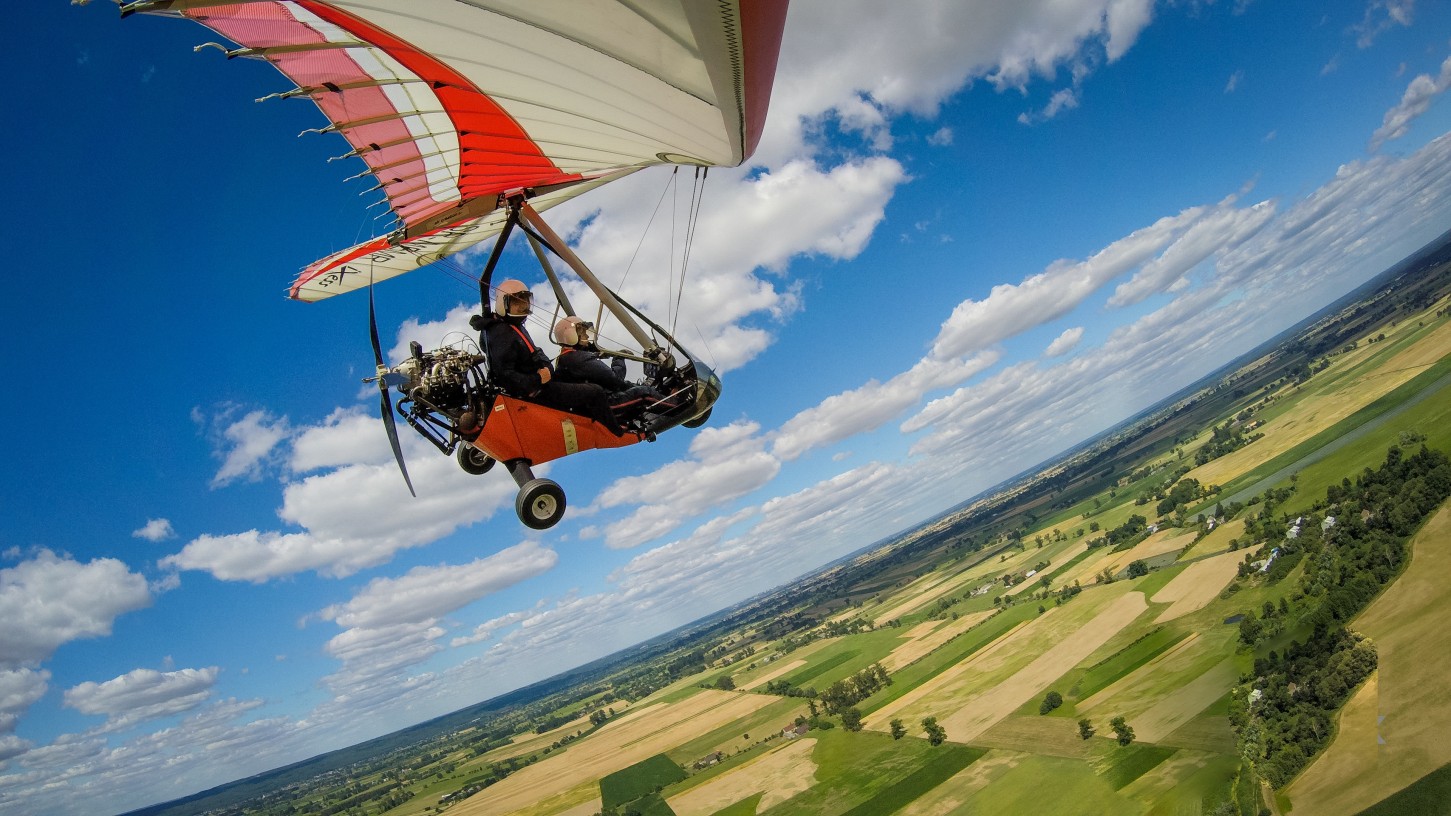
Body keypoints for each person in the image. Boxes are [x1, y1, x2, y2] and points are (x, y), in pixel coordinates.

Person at [476, 280, 627, 436]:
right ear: (503, 304)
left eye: (525, 301)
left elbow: (535, 352)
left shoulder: (512, 325)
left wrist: (546, 368)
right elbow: (505, 375)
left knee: (575, 383)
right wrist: (537, 378)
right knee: (595, 392)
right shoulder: (501, 333)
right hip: (534, 391)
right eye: (516, 302)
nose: (523, 306)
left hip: (539, 383)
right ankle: (616, 432)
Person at [551, 316, 665, 425]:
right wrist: (619, 358)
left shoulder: (567, 358)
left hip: (592, 406)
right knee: (644, 393)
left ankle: (655, 392)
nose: (586, 335)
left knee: (635, 387)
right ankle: (679, 406)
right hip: (603, 407)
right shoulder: (577, 358)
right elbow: (615, 379)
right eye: (582, 332)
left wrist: (596, 353)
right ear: (570, 335)